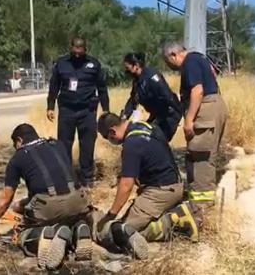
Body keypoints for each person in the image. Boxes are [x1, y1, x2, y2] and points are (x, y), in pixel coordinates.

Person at [0, 124, 93, 270]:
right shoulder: (58, 145)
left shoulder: (17, 159)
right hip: (78, 200)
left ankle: (49, 234)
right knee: (21, 206)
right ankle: (77, 229)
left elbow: (5, 199)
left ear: (19, 140)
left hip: (49, 207)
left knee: (23, 235)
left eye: (15, 144)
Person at [95, 113, 200, 259]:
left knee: (119, 231)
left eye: (107, 137)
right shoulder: (146, 126)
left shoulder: (131, 144)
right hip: (175, 184)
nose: (109, 141)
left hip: (160, 191)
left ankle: (175, 222)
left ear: (112, 131)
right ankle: (171, 210)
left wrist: (111, 215)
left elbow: (126, 185)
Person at [162, 41, 228, 208]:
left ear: (173, 55)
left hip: (205, 109)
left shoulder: (189, 62)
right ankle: (202, 200)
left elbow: (197, 91)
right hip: (215, 105)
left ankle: (201, 207)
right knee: (204, 155)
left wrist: (189, 120)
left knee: (200, 157)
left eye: (168, 62)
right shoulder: (199, 58)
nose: (170, 66)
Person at [47, 37, 110, 187]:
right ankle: (67, 177)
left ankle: (87, 177)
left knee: (87, 144)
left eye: (80, 49)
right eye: (75, 49)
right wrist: (50, 106)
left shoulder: (93, 64)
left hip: (87, 111)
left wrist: (106, 109)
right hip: (66, 110)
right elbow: (54, 86)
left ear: (85, 49)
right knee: (64, 144)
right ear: (71, 48)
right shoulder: (61, 64)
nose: (77, 52)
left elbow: (102, 88)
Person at [122, 52, 182, 141]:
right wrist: (124, 116)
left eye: (128, 68)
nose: (126, 72)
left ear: (136, 65)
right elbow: (133, 100)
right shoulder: (137, 82)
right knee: (144, 137)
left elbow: (167, 96)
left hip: (169, 114)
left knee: (157, 141)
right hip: (157, 115)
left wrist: (182, 113)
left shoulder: (151, 76)